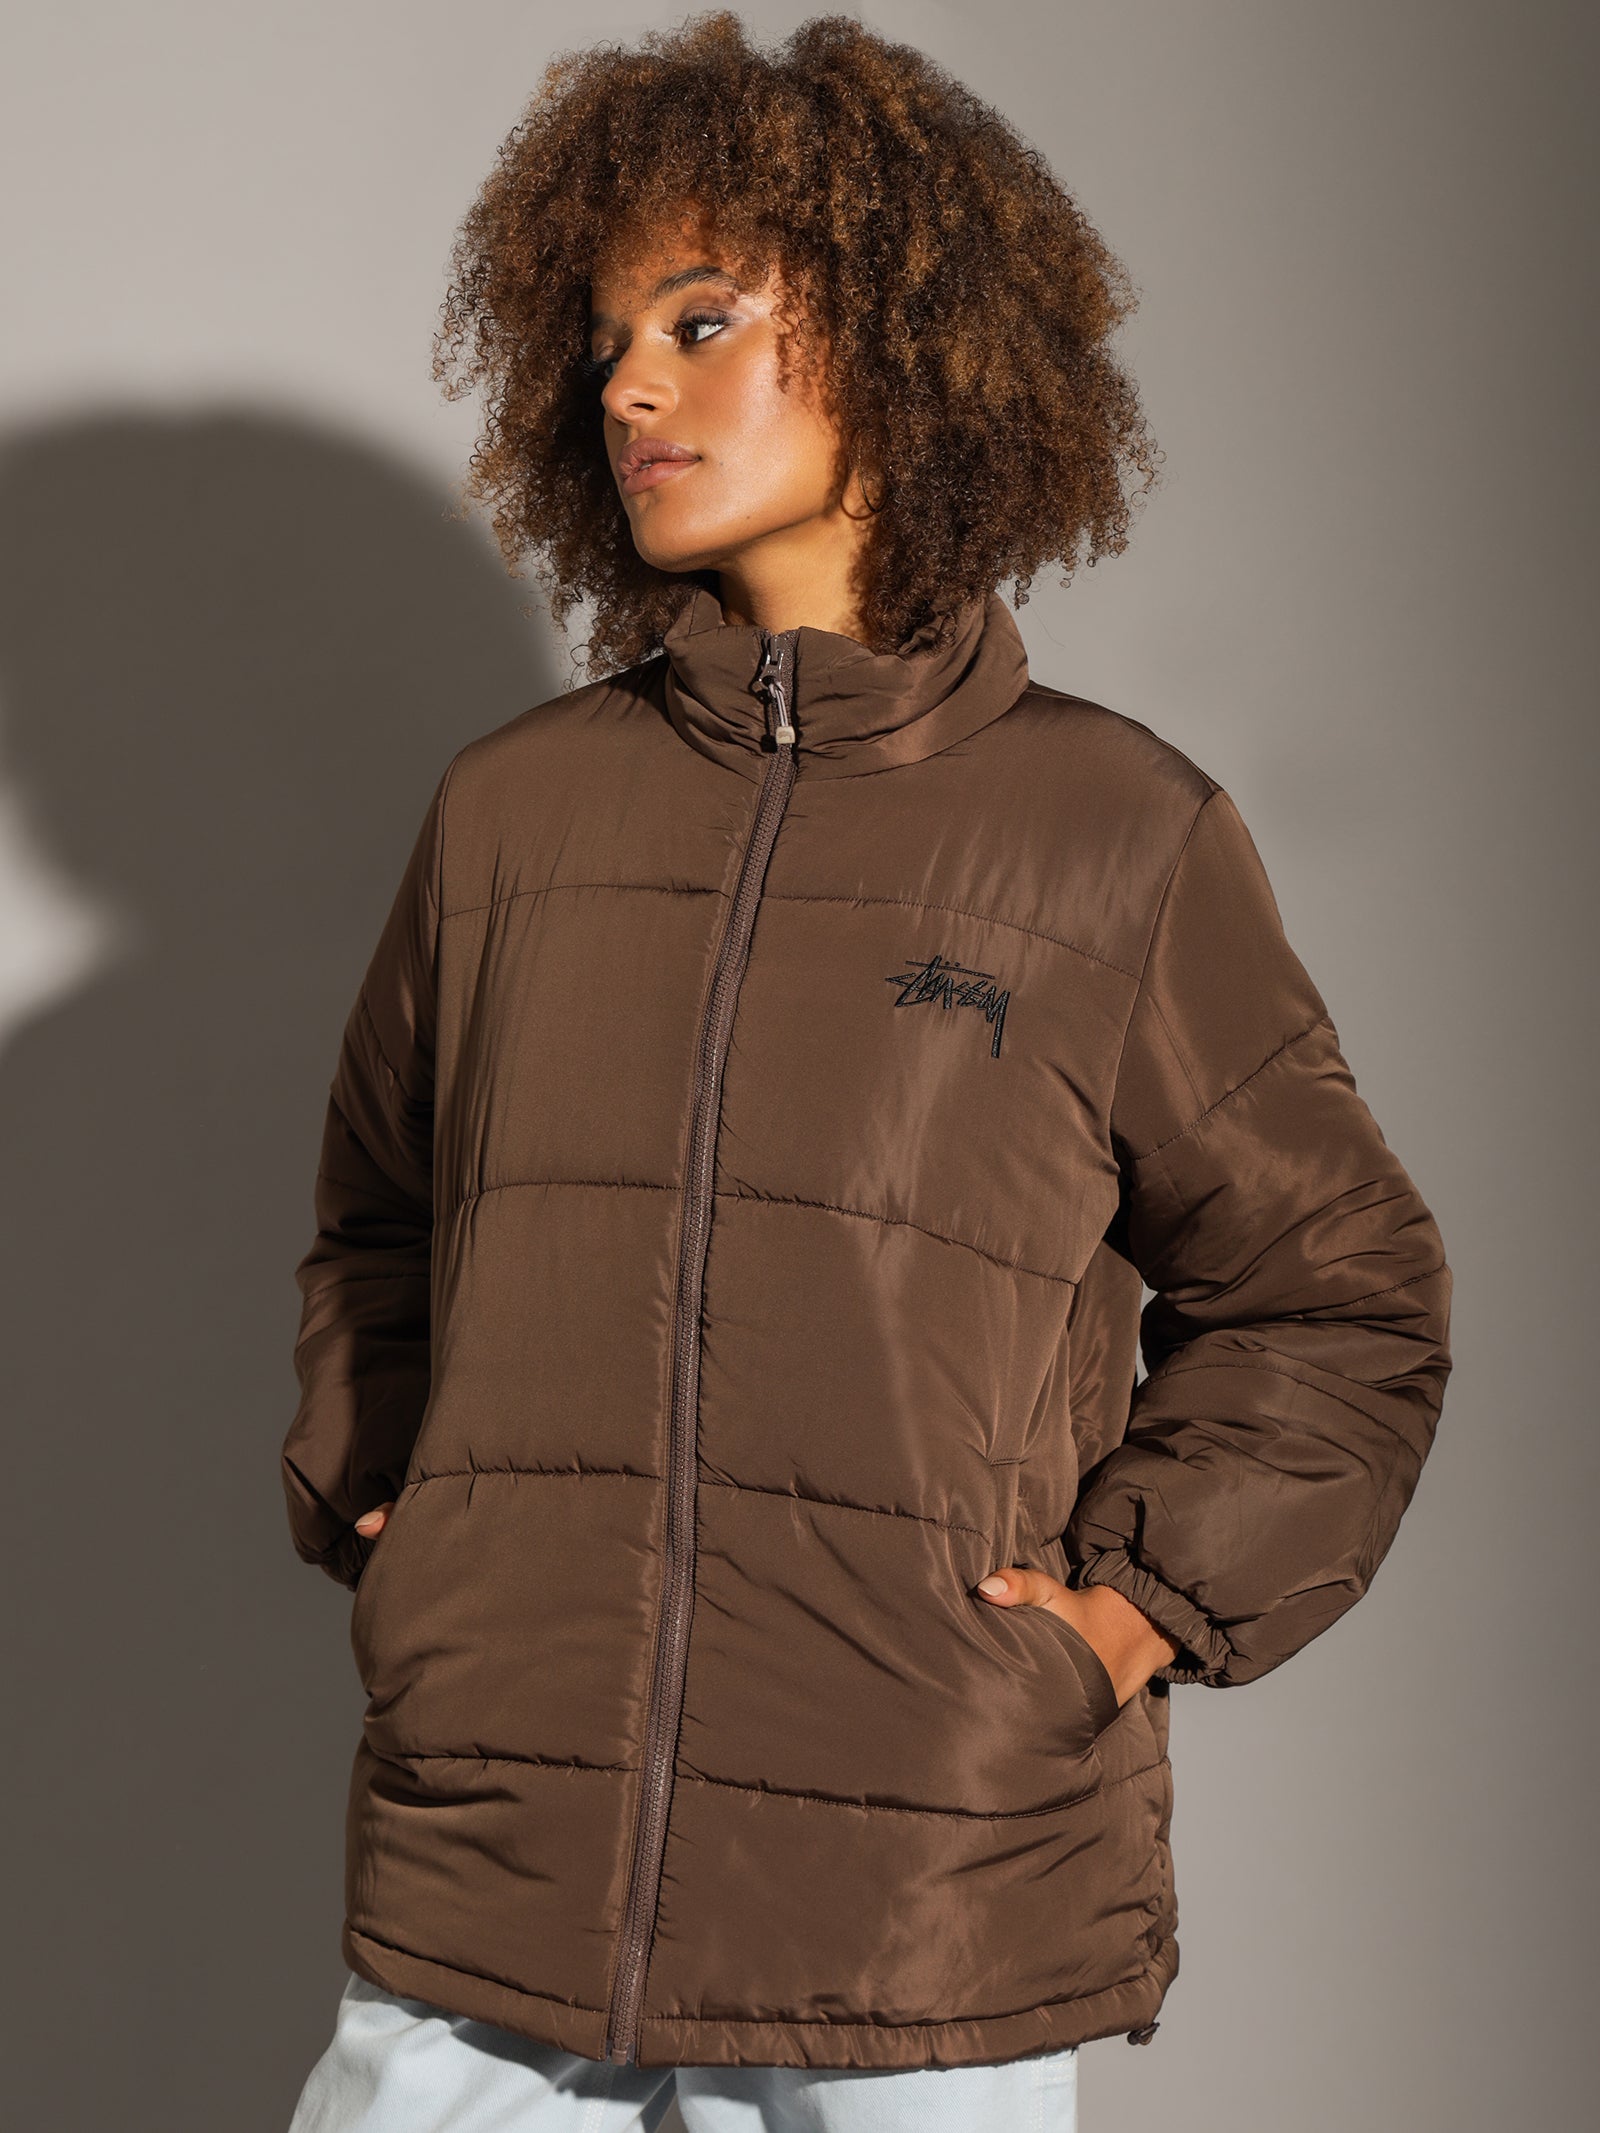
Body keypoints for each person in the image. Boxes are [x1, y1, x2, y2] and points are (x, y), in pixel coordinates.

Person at [280, 13, 1453, 2130]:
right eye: (604, 339)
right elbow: (381, 1217)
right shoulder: (510, 815)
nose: (626, 386)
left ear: (909, 340)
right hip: (495, 1864)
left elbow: (1335, 1294)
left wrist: (1122, 1619)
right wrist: (412, 1521)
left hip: (917, 1902)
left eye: (700, 320)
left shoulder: (1112, 836)